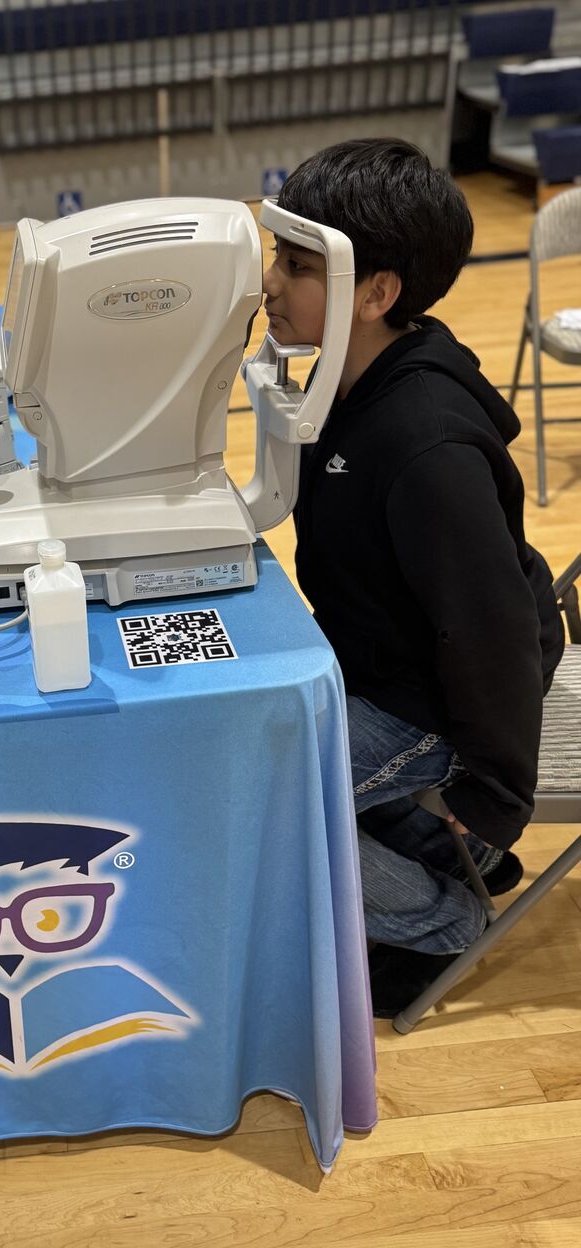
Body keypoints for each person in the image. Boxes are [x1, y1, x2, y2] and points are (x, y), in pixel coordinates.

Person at [264, 138, 564, 1016]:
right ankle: (415, 839)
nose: (269, 285)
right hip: (379, 662)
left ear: (377, 293)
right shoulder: (349, 378)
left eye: (295, 265)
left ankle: (438, 923)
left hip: (427, 707)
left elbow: (494, 628)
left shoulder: (424, 443)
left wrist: (495, 793)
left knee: (251, 801)